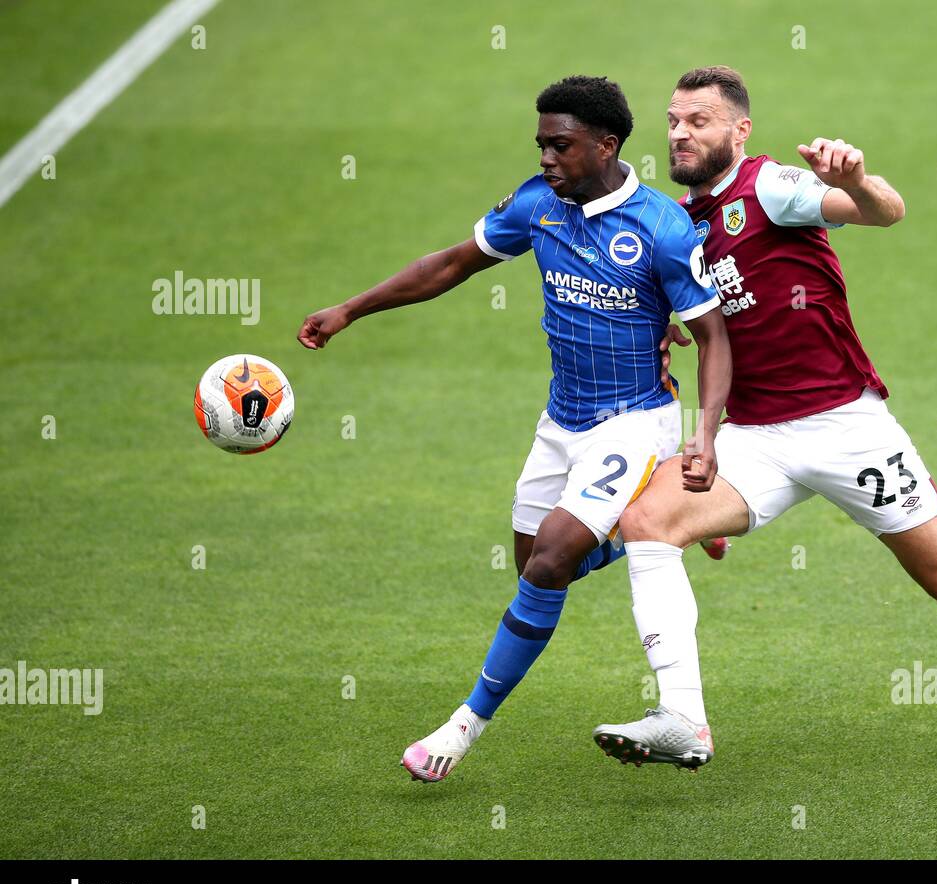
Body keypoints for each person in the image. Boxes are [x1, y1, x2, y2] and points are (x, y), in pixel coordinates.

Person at [591, 66, 937, 769]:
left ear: (739, 129)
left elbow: (886, 211)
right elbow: (714, 325)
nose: (680, 132)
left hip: (846, 427)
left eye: (698, 120)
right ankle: (683, 719)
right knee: (647, 523)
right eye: (673, 120)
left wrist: (854, 180)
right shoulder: (680, 222)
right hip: (756, 437)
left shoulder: (771, 187)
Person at [296, 75, 731, 783]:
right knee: (534, 564)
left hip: (634, 420)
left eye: (559, 146)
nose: (545, 160)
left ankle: (463, 726)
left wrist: (703, 435)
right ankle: (670, 519)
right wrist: (352, 308)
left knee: (552, 558)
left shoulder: (660, 228)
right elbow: (451, 264)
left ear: (606, 144)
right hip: (561, 421)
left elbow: (712, 337)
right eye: (540, 146)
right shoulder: (538, 207)